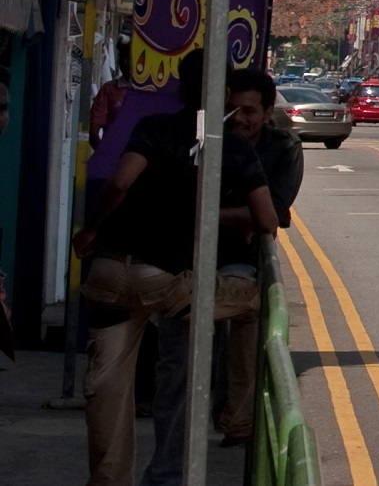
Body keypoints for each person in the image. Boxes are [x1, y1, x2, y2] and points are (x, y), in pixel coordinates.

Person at [78, 54, 276, 486]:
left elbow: (120, 182)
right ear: (224, 93)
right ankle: (236, 418)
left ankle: (109, 479)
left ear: (179, 89)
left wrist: (90, 230)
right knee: (256, 303)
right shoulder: (232, 145)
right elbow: (267, 221)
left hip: (108, 273)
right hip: (166, 281)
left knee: (107, 389)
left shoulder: (152, 128)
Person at [216, 69, 301, 444]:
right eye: (232, 109)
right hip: (185, 258)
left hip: (245, 262)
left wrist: (205, 214)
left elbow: (275, 213)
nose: (240, 119)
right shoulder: (209, 138)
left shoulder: (283, 147)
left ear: (267, 113)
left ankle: (239, 422)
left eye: (249, 111)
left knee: (247, 327)